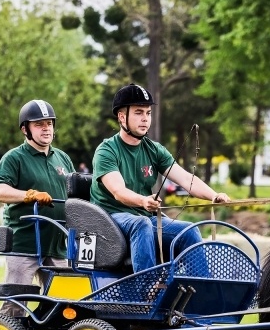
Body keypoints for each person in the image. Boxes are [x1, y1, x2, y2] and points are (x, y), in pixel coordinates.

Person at [90, 83, 231, 273]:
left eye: (148, 113)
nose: (145, 119)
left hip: (144, 219)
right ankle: (147, 287)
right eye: (139, 112)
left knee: (189, 230)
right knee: (142, 224)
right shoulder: (106, 150)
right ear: (122, 117)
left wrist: (214, 195)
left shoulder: (154, 149)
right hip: (110, 219)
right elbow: (118, 191)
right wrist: (143, 201)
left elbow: (186, 179)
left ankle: (200, 289)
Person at [0, 99, 74, 315]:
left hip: (57, 246)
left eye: (49, 124)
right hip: (24, 245)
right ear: (25, 129)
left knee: (65, 306)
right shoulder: (14, 158)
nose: (46, 129)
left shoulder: (63, 159)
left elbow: (78, 195)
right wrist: (30, 195)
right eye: (39, 124)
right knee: (16, 306)